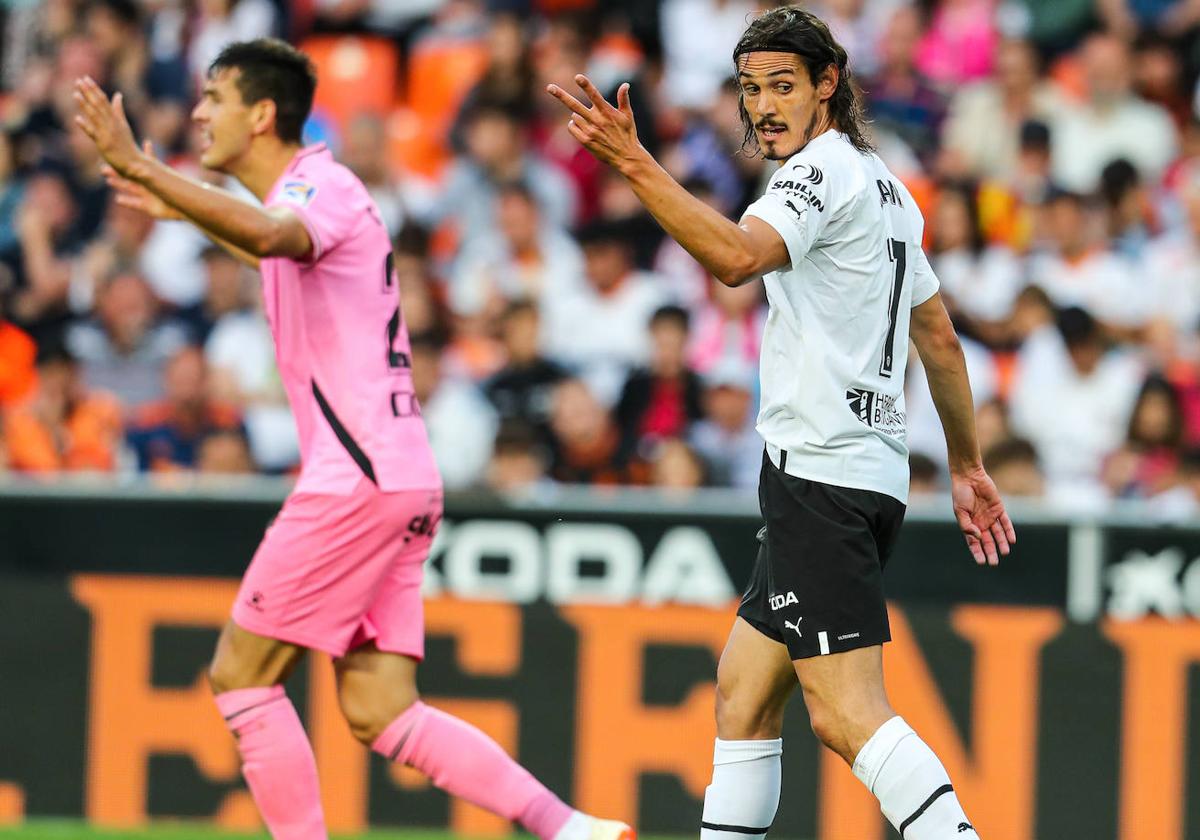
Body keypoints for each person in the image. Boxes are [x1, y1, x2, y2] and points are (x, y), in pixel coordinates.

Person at [74, 38, 632, 840]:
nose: (197, 112)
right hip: (396, 475)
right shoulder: (317, 198)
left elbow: (277, 239)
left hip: (356, 478)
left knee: (240, 678)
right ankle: (575, 830)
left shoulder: (320, 185)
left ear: (261, 114)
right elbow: (281, 247)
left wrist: (149, 168)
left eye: (214, 98)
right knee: (383, 713)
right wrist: (180, 203)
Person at [547, 7, 1014, 839]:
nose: (763, 106)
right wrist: (970, 463)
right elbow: (937, 336)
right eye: (751, 88)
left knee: (846, 714)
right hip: (861, 475)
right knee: (744, 693)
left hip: (823, 476)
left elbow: (734, 259)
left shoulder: (814, 174)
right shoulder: (889, 188)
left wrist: (631, 161)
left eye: (783, 86)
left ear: (829, 84)